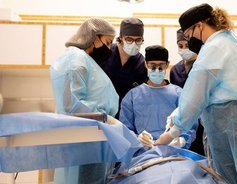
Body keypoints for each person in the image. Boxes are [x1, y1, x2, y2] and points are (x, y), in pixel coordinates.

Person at [155, 3, 237, 184]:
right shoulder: (229, 41)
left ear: (199, 26)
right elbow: (213, 90)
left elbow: (196, 95)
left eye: (189, 35)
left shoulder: (214, 48)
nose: (191, 41)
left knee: (232, 177)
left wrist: (172, 132)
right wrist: (178, 114)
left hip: (229, 121)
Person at [50, 17, 119, 184]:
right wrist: (105, 117)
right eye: (108, 42)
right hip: (84, 139)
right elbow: (71, 104)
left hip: (92, 136)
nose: (109, 48)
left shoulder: (86, 60)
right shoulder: (76, 59)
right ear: (95, 36)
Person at [120, 45, 197, 150]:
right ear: (145, 64)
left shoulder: (179, 94)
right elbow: (125, 128)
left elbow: (189, 123)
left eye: (161, 65)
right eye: (152, 65)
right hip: (143, 153)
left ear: (167, 65)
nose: (157, 69)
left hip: (174, 152)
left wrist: (182, 140)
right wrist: (137, 139)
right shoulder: (132, 96)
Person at [99, 17, 148, 119]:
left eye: (138, 40)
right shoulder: (105, 53)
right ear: (121, 37)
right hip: (100, 111)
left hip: (126, 115)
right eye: (129, 39)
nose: (134, 43)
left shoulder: (141, 63)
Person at [170, 29, 205, 156]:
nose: (184, 49)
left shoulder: (204, 66)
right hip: (184, 121)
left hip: (202, 122)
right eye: (180, 46)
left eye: (187, 45)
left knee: (201, 156)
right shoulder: (175, 70)